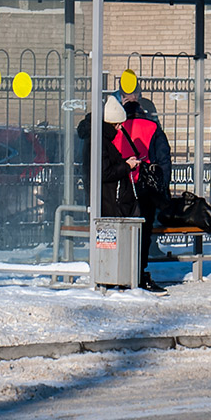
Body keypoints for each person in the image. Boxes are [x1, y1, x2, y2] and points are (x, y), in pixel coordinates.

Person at [119, 96, 172, 293]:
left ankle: (123, 271)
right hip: (145, 188)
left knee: (124, 230)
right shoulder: (152, 127)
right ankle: (139, 273)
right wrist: (161, 188)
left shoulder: (118, 127)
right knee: (144, 232)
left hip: (123, 185)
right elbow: (163, 158)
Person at [75, 97, 140, 220]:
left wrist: (125, 163)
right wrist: (127, 166)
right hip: (107, 203)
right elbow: (105, 172)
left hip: (106, 201)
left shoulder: (97, 139)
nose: (120, 128)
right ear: (110, 123)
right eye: (117, 124)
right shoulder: (99, 142)